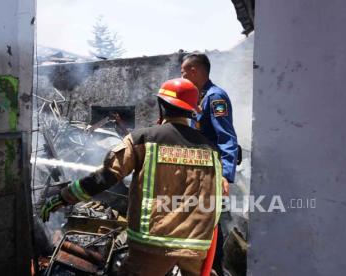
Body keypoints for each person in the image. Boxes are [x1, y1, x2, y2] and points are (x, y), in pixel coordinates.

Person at [40, 78, 223, 276]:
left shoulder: (143, 139)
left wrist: (63, 197)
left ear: (162, 106)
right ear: (191, 111)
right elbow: (216, 197)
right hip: (196, 247)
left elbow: (105, 177)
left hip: (154, 244)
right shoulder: (211, 150)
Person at [181, 53, 239, 276]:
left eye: (184, 71)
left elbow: (227, 138)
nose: (182, 75)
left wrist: (224, 175)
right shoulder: (200, 97)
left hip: (213, 174)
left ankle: (215, 268)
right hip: (200, 172)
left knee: (212, 224)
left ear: (195, 70)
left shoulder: (215, 98)